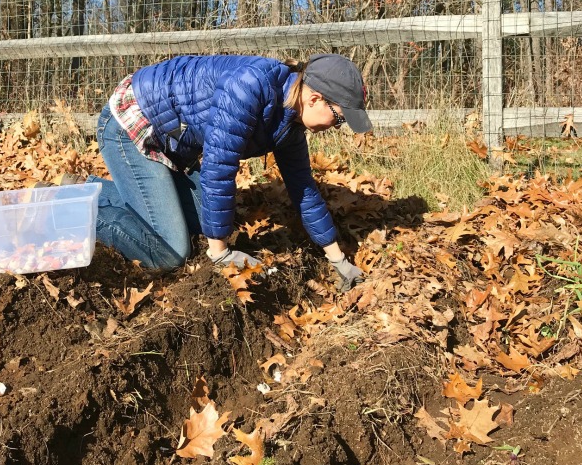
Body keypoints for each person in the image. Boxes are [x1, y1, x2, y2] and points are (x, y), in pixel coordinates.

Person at [86, 53, 372, 292]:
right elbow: (218, 170)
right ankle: (74, 208)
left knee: (202, 222)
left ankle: (87, 189)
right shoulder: (249, 87)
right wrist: (220, 253)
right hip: (133, 123)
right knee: (170, 252)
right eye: (339, 118)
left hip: (168, 139)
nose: (336, 127)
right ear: (314, 98)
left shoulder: (290, 120)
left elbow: (303, 187)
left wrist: (337, 259)